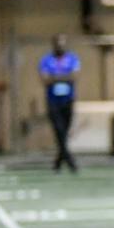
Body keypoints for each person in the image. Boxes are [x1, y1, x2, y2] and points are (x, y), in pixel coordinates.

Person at [38, 34, 80, 173]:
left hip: (68, 100)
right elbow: (44, 80)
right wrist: (63, 77)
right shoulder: (46, 60)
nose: (60, 46)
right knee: (59, 130)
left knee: (64, 132)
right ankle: (70, 161)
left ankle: (58, 162)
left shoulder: (72, 58)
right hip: (53, 101)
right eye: (57, 43)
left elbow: (74, 77)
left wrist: (55, 77)